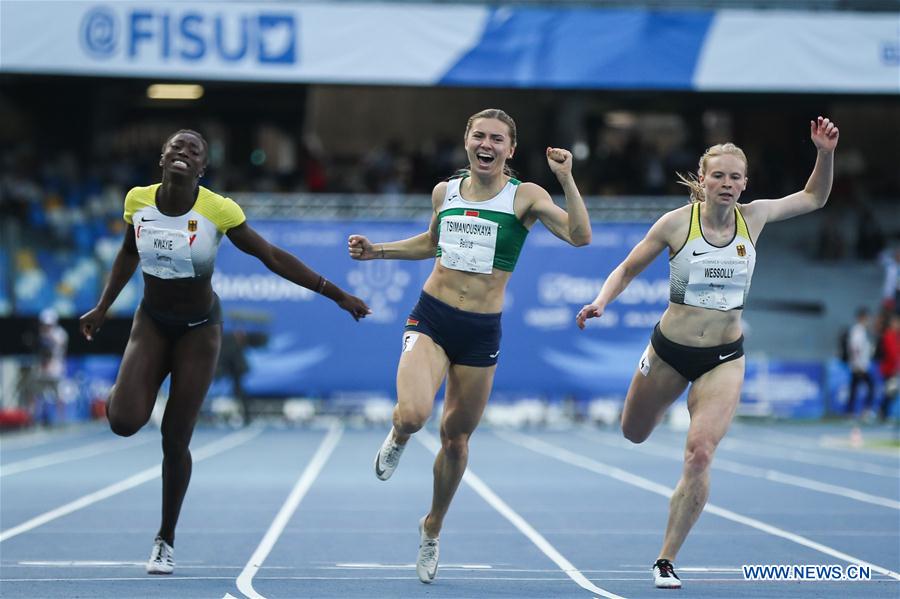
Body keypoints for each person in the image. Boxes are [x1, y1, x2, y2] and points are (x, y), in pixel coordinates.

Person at [79, 129, 370, 575]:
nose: (184, 152)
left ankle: (165, 538)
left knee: (175, 439)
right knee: (122, 422)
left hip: (199, 330)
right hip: (152, 321)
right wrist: (102, 307)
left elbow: (271, 256)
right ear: (162, 157)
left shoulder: (218, 209)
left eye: (194, 150)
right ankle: (135, 392)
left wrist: (335, 294)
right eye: (177, 146)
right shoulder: (137, 200)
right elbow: (126, 252)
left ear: (202, 169)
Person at [576, 116, 839, 589]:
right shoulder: (677, 224)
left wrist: (824, 153)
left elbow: (814, 198)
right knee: (633, 432)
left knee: (699, 454)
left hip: (724, 358)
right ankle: (656, 407)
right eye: (718, 175)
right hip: (669, 351)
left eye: (736, 177)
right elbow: (627, 268)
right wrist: (600, 301)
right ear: (702, 179)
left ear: (744, 184)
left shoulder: (753, 218)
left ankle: (665, 559)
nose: (727, 183)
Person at [348, 108, 591, 584]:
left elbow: (581, 237)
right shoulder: (445, 191)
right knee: (413, 414)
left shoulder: (526, 197)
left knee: (456, 439)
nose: (487, 144)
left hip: (480, 331)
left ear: (510, 150)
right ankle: (398, 436)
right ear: (466, 142)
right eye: (479, 136)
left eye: (496, 139)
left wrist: (566, 178)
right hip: (432, 317)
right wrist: (378, 250)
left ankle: (432, 526)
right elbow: (431, 243)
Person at [844, 307, 875, 418]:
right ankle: (865, 411)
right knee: (871, 386)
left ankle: (850, 412)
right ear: (862, 318)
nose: (868, 320)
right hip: (859, 366)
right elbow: (855, 348)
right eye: (867, 318)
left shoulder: (861, 330)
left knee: (854, 387)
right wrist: (858, 364)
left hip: (860, 365)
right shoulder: (858, 330)